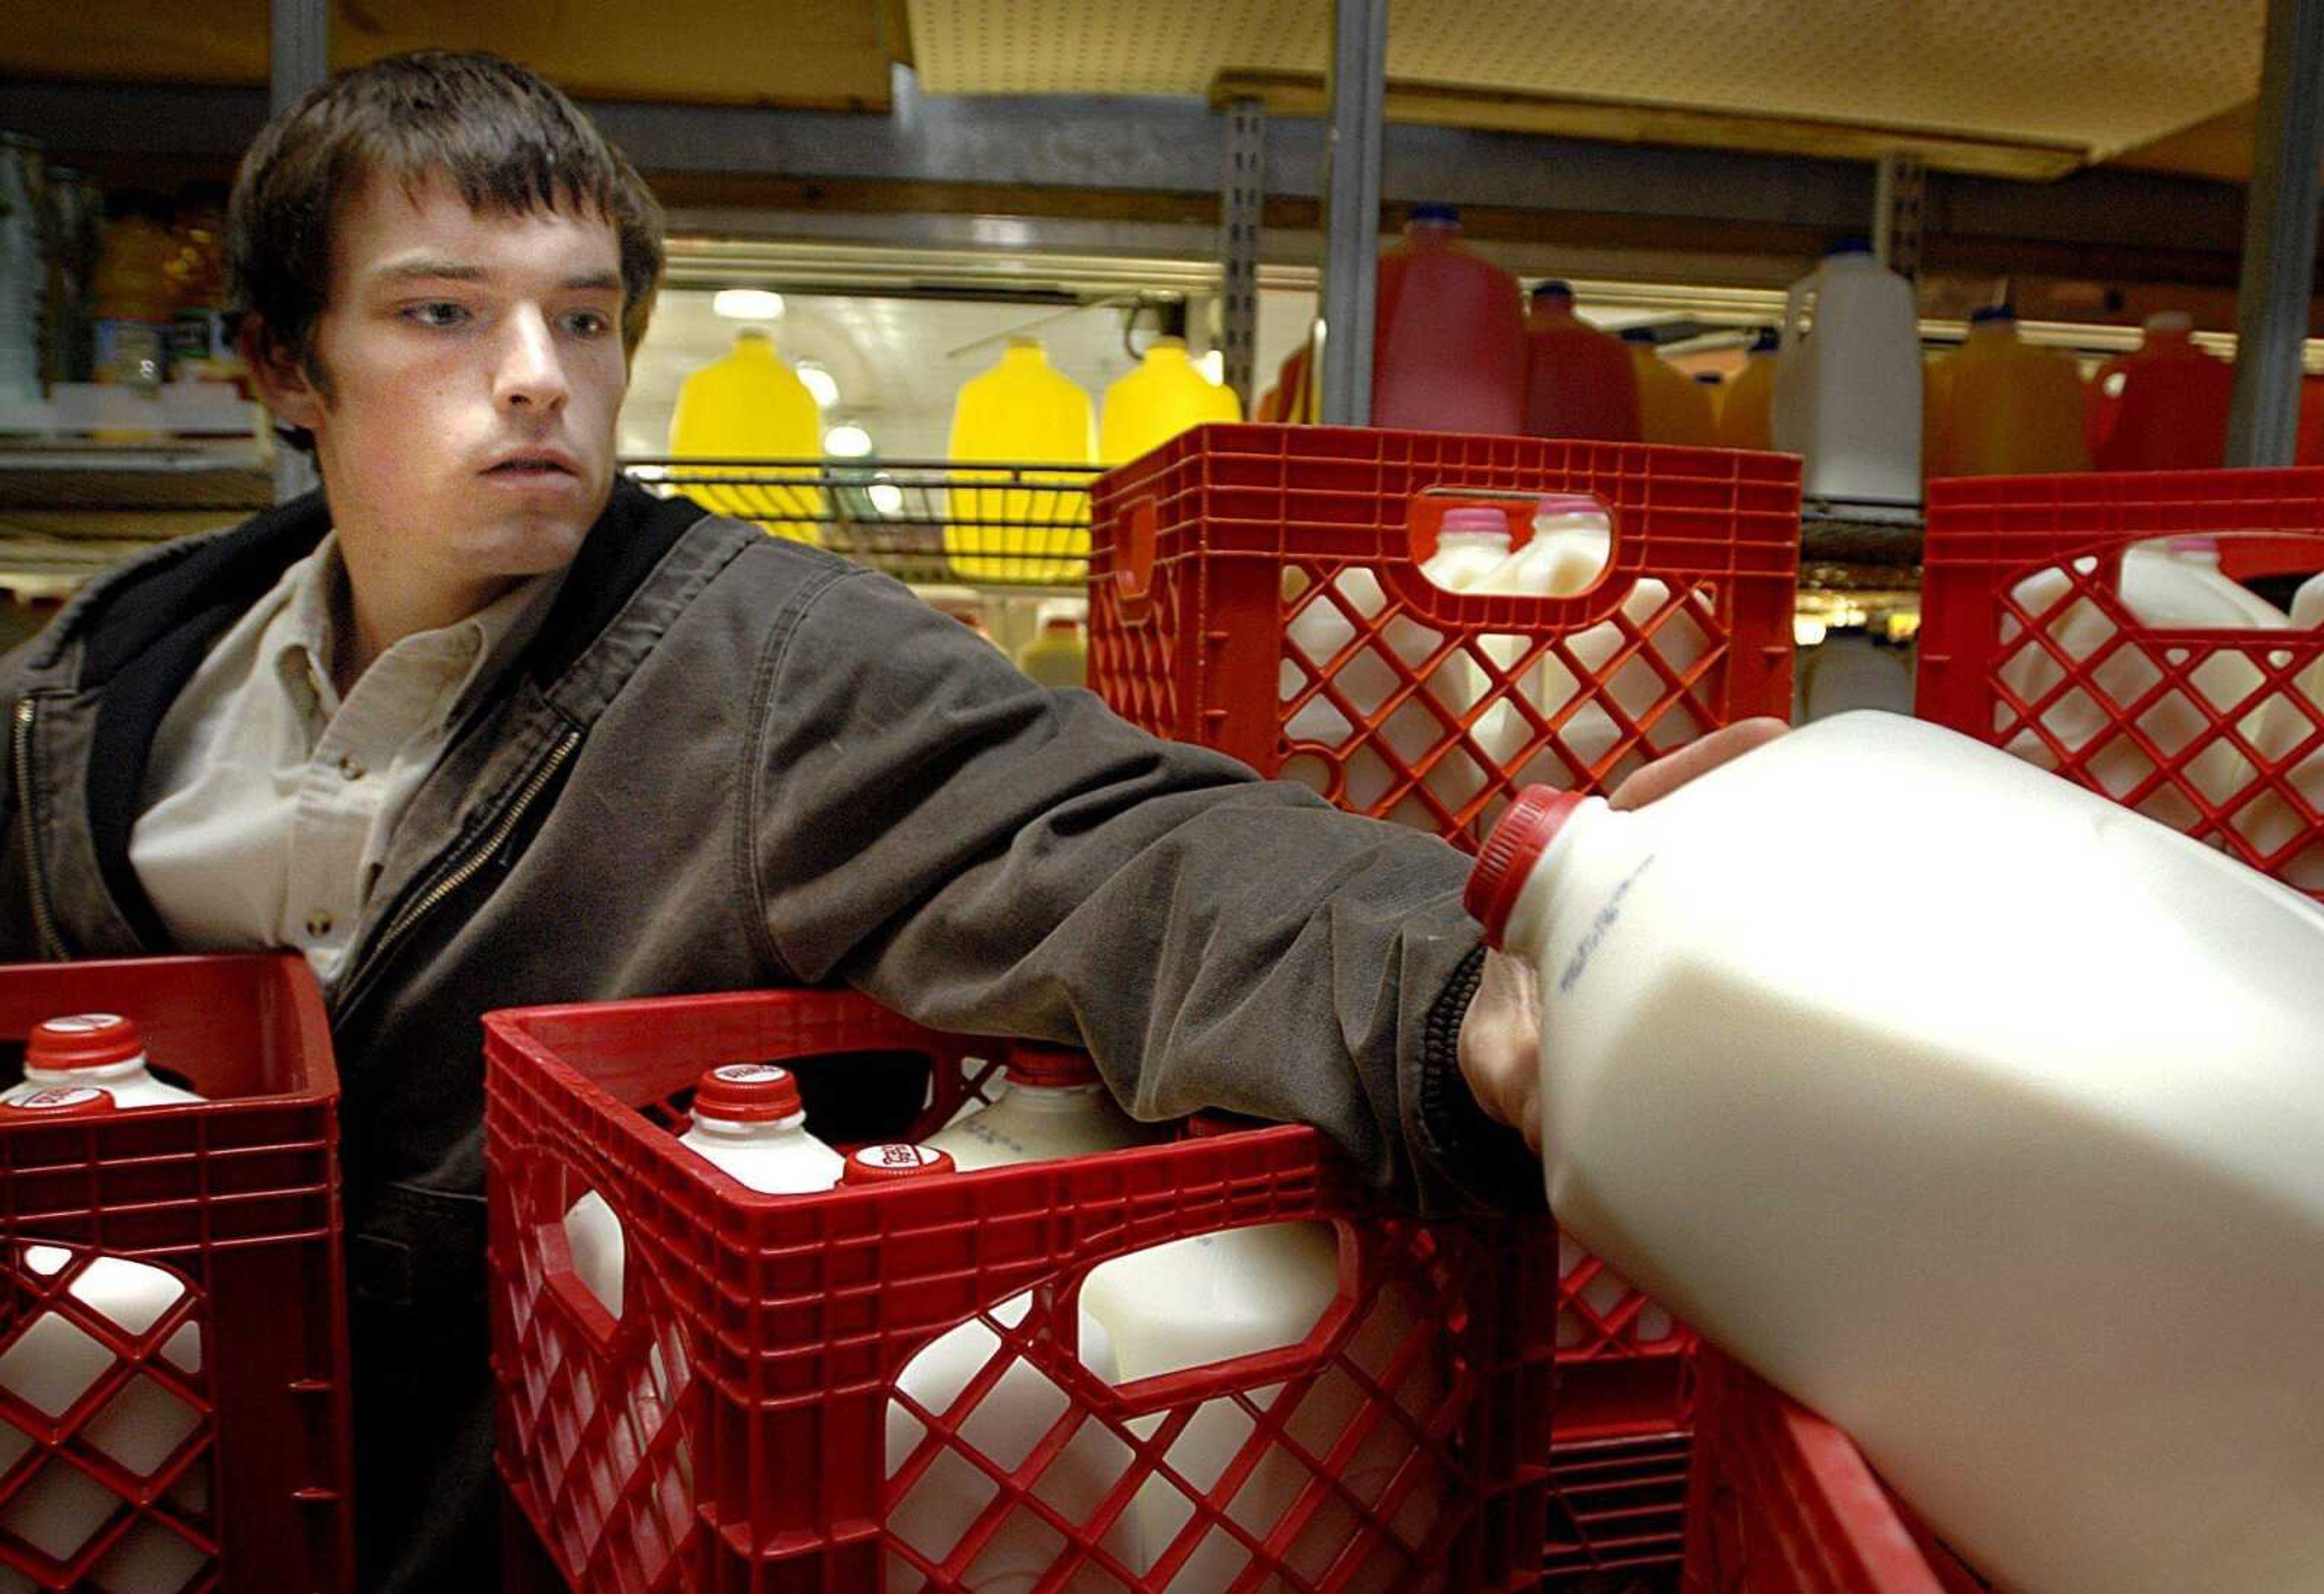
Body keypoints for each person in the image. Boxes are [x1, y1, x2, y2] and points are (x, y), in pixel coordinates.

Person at [0, 51, 1782, 1590]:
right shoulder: (105, 689)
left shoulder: (752, 668)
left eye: (589, 313)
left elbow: (1119, 843)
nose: (541, 371)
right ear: (281, 365)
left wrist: (1482, 973)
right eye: (443, 311)